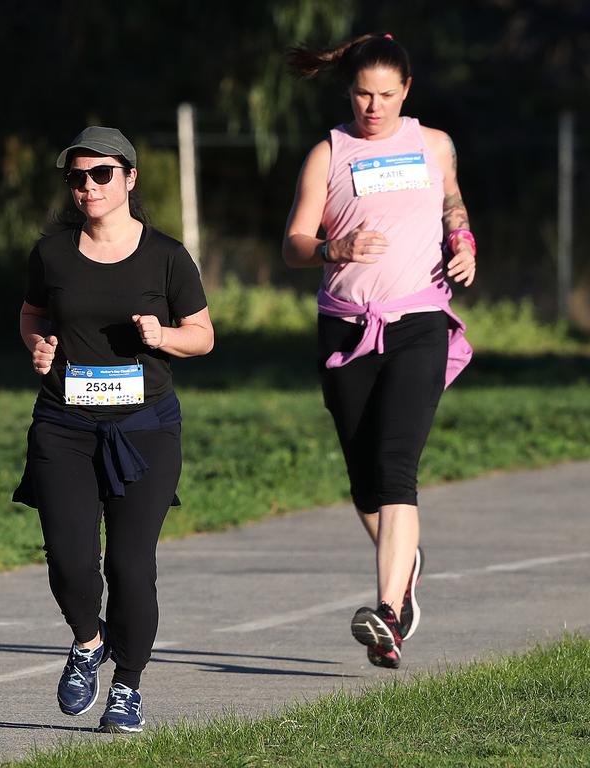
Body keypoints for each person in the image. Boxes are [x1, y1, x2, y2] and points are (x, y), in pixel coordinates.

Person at [283, 34, 476, 668]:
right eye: (364, 94)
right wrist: (335, 249)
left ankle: (388, 612)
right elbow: (294, 244)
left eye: (387, 95)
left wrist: (463, 240)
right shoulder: (328, 154)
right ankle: (407, 559)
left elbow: (450, 199)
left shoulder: (433, 144)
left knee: (396, 467)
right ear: (348, 90)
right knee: (365, 481)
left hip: (418, 320)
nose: (375, 106)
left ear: (407, 92)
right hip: (345, 328)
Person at [13, 126, 214, 732]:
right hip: (64, 424)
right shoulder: (51, 253)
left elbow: (203, 336)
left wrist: (162, 337)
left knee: (130, 564)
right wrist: (38, 346)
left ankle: (126, 684)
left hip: (145, 426)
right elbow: (30, 315)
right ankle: (86, 641)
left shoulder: (167, 256)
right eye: (77, 177)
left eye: (102, 174)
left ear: (129, 178)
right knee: (71, 561)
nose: (88, 186)